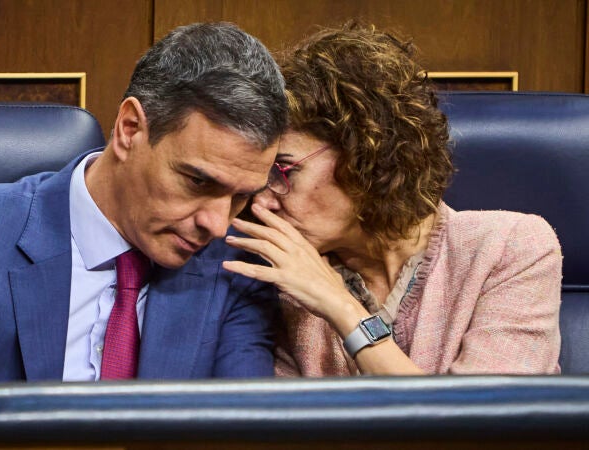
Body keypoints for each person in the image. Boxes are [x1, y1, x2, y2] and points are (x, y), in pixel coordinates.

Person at [0, 22, 287, 389]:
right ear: (129, 129)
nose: (218, 225)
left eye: (241, 196)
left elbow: (240, 429)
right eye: (198, 181)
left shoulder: (236, 268)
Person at [223, 22, 562, 376]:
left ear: (365, 155)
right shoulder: (286, 281)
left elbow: (484, 422)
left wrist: (342, 308)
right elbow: (288, 426)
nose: (261, 205)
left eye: (285, 171)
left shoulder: (510, 248)